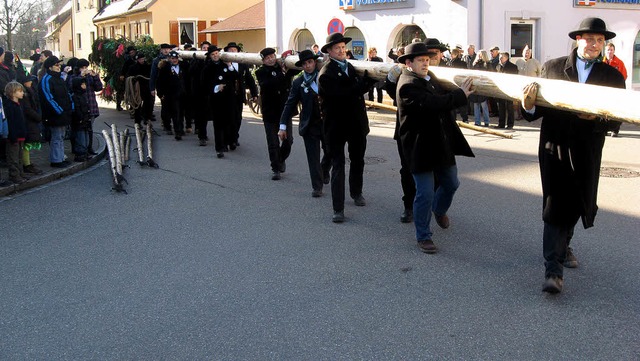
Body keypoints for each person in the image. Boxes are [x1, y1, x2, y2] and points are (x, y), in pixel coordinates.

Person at [521, 17, 626, 294]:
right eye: (589, 38)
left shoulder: (612, 76)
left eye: (600, 40)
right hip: (554, 147)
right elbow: (535, 110)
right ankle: (552, 271)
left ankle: (564, 244)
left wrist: (596, 118)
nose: (594, 44)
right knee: (555, 206)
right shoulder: (553, 67)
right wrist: (528, 106)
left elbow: (617, 120)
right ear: (577, 39)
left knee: (579, 203)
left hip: (588, 150)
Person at [396, 42, 474, 254]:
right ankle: (423, 236)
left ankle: (439, 210)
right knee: (424, 193)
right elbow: (432, 103)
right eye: (421, 60)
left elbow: (441, 96)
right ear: (408, 63)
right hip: (420, 147)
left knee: (451, 182)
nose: (425, 63)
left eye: (427, 59)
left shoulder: (429, 78)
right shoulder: (407, 84)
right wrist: (460, 95)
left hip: (440, 143)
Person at [318, 32, 374, 223]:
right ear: (329, 52)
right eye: (337, 48)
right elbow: (342, 95)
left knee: (358, 160)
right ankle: (338, 208)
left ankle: (356, 192)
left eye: (343, 47)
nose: (342, 51)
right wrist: (363, 86)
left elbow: (356, 90)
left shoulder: (351, 67)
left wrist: (369, 82)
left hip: (356, 125)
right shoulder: (325, 74)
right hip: (336, 127)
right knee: (338, 166)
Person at [279, 49, 331, 197]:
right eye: (304, 64)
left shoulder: (324, 77)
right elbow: (289, 105)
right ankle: (317, 186)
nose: (308, 66)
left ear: (315, 62)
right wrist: (283, 125)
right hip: (309, 125)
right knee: (312, 156)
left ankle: (324, 169)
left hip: (326, 123)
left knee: (331, 152)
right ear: (301, 66)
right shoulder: (298, 83)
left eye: (310, 62)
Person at [255, 48, 295, 180]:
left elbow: (298, 68)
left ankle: (280, 159)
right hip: (270, 112)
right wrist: (282, 73)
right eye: (267, 58)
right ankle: (275, 169)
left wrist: (291, 59)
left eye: (272, 56)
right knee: (273, 143)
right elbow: (268, 84)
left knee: (289, 140)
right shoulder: (260, 72)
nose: (271, 59)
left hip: (284, 111)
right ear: (263, 60)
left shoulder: (283, 68)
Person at [39, 56, 73, 168]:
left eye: (59, 65)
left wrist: (70, 107)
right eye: (56, 65)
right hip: (54, 114)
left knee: (61, 136)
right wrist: (59, 110)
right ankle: (56, 160)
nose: (59, 67)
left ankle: (61, 157)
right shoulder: (46, 79)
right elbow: (48, 98)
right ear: (50, 67)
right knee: (56, 137)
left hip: (63, 113)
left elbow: (67, 94)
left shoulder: (59, 79)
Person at [223, 42, 258, 148]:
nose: (233, 52)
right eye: (230, 50)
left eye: (234, 50)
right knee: (228, 118)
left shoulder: (243, 64)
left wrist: (254, 92)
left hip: (239, 95)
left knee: (238, 118)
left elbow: (249, 79)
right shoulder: (223, 64)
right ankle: (229, 139)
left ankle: (234, 137)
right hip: (227, 96)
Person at [202, 45, 235, 158]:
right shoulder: (207, 68)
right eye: (213, 54)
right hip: (216, 100)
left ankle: (226, 143)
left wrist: (230, 65)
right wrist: (216, 88)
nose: (215, 56)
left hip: (228, 98)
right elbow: (204, 84)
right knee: (218, 124)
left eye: (216, 53)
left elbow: (235, 76)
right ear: (210, 56)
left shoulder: (225, 64)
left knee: (228, 122)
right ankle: (219, 148)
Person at [156, 50, 187, 140]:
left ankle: (181, 128)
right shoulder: (164, 69)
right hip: (171, 95)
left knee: (181, 112)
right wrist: (160, 94)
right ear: (169, 59)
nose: (174, 60)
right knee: (175, 113)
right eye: (172, 58)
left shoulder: (182, 67)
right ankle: (177, 131)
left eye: (176, 58)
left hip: (182, 94)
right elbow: (159, 82)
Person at [3, 81, 29, 184]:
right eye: (20, 91)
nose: (22, 93)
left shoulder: (19, 105)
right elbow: (11, 122)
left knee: (19, 156)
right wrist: (12, 135)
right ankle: (14, 175)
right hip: (14, 136)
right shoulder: (10, 106)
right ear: (13, 93)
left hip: (20, 135)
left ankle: (20, 173)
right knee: (13, 157)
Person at [19, 74, 43, 175]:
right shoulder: (24, 95)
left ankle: (27, 163)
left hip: (30, 121)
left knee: (27, 144)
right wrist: (37, 117)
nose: (31, 82)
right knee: (26, 145)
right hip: (28, 121)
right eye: (29, 81)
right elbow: (27, 109)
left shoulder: (29, 92)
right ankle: (26, 164)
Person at [603, 42, 627, 137]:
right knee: (604, 111)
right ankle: (604, 129)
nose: (609, 52)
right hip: (604, 90)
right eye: (608, 50)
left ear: (614, 51)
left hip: (616, 90)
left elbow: (624, 75)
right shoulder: (601, 62)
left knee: (616, 111)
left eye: (611, 50)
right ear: (605, 51)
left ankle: (615, 130)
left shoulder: (619, 63)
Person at [190, 41, 211, 145]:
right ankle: (202, 136)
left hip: (210, 92)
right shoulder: (196, 60)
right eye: (204, 48)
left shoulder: (212, 61)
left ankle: (202, 131)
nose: (206, 50)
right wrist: (196, 61)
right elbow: (191, 72)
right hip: (198, 92)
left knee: (206, 114)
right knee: (201, 114)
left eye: (208, 48)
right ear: (201, 49)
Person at [150, 43, 173, 133]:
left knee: (173, 106)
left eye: (168, 49)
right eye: (164, 49)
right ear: (161, 50)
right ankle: (167, 124)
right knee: (165, 106)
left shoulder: (173, 58)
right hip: (162, 86)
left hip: (173, 86)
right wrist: (152, 88)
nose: (166, 51)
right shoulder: (156, 60)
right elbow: (153, 75)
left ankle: (172, 123)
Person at [127, 53, 153, 126]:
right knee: (137, 104)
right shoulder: (133, 67)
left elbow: (151, 75)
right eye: (140, 59)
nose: (142, 60)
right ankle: (137, 121)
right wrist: (134, 79)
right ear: (137, 60)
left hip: (146, 87)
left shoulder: (148, 66)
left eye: (142, 59)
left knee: (148, 103)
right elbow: (129, 76)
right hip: (137, 88)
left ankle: (147, 118)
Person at [70, 77, 91, 162]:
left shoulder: (83, 95)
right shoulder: (75, 96)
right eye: (82, 84)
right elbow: (77, 109)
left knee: (85, 138)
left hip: (85, 120)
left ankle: (84, 153)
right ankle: (80, 154)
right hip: (79, 121)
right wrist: (80, 118)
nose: (84, 86)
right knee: (80, 138)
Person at [496, 52, 518, 129]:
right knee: (501, 107)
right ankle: (501, 124)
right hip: (500, 89)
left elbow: (514, 78)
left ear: (506, 58)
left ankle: (510, 124)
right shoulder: (498, 66)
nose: (500, 59)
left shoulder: (513, 67)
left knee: (510, 107)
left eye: (501, 57)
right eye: (499, 57)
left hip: (509, 89)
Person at [469, 50, 491, 127]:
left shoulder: (487, 64)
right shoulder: (474, 64)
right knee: (476, 105)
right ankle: (477, 121)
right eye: (478, 55)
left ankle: (486, 121)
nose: (479, 56)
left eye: (481, 55)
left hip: (483, 86)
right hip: (476, 85)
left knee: (484, 105)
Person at [449, 48, 469, 123]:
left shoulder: (453, 63)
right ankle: (465, 118)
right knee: (461, 101)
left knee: (455, 101)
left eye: (452, 54)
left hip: (455, 83)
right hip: (460, 84)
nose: (451, 55)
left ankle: (456, 118)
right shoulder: (462, 63)